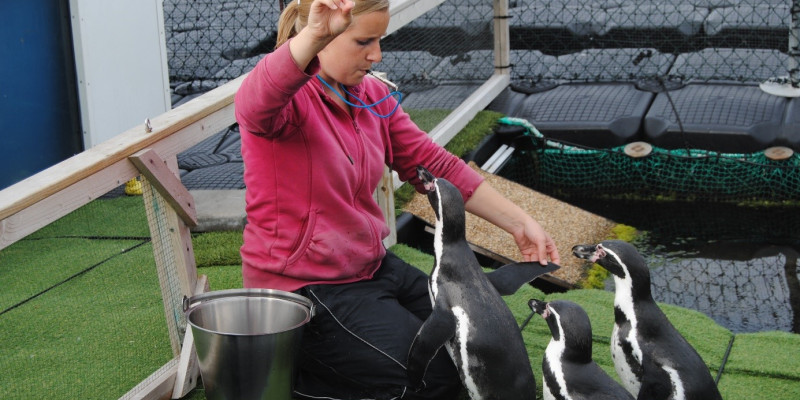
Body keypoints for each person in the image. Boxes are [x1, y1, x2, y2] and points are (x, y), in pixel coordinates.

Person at [234, 0, 561, 398]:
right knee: (429, 378)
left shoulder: (368, 94)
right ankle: (308, 381)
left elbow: (432, 162)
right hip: (307, 288)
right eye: (363, 41)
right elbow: (254, 101)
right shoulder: (287, 103)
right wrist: (314, 34)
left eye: (380, 39)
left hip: (373, 267)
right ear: (320, 38)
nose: (377, 55)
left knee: (480, 349)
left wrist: (517, 222)